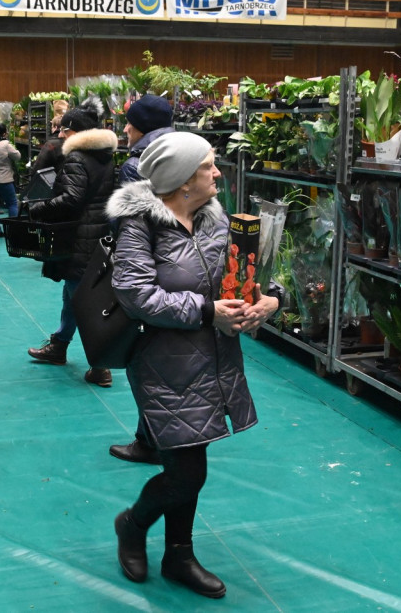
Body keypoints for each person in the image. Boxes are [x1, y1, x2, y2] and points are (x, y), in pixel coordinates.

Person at [105, 132, 279, 598]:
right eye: (208, 165)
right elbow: (136, 294)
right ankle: (133, 524)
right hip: (163, 362)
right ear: (182, 180)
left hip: (216, 358)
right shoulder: (140, 225)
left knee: (192, 458)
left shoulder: (215, 218)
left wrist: (265, 300)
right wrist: (207, 311)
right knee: (188, 470)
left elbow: (246, 271)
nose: (218, 172)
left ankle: (179, 555)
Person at [26, 100, 118, 388]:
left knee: (83, 300)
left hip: (80, 238)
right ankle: (60, 345)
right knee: (74, 295)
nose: (60, 134)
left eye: (64, 129)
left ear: (74, 131)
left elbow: (72, 199)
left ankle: (101, 365)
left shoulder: (78, 158)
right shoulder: (104, 157)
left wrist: (39, 207)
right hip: (98, 235)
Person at [108, 93, 177, 465]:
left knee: (143, 357)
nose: (125, 129)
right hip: (184, 267)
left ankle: (150, 439)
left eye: (129, 123)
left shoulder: (137, 164)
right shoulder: (191, 154)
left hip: (150, 269)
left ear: (142, 126)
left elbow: (130, 224)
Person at [118, 94, 175, 184]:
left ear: (142, 128)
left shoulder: (134, 167)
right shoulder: (178, 155)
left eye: (129, 123)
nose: (125, 130)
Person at [0, 122, 20, 237]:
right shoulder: (5, 144)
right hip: (5, 179)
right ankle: (12, 229)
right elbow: (17, 156)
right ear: (5, 133)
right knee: (12, 204)